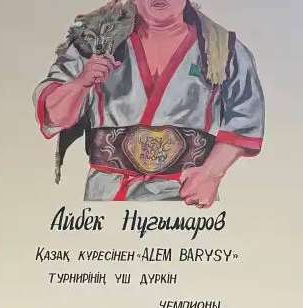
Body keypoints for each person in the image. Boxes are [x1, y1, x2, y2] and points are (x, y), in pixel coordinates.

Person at [35, 0, 264, 206]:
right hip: (107, 196)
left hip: (186, 197)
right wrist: (81, 83)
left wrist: (211, 173)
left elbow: (245, 120)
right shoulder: (93, 40)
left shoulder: (223, 47)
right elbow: (54, 115)